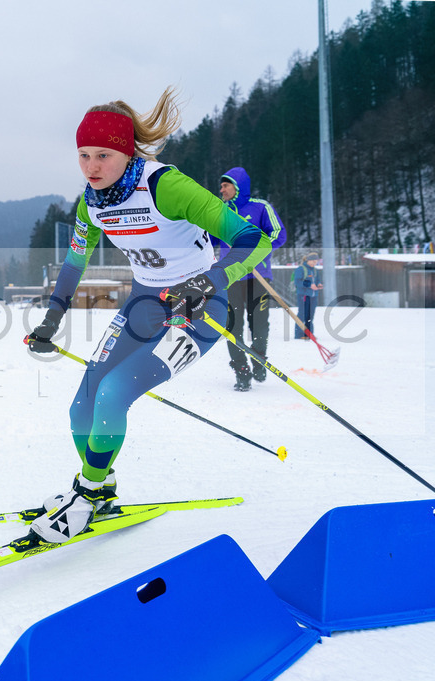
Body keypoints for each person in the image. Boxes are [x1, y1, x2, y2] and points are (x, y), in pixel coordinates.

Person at [20, 88, 273, 548]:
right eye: (83, 156)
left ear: (127, 152)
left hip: (197, 307)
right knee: (82, 406)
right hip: (143, 302)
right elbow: (76, 260)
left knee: (114, 392)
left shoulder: (165, 186)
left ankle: (86, 494)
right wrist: (53, 316)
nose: (92, 167)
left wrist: (209, 281)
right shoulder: (92, 202)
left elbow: (253, 239)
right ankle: (101, 488)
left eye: (103, 155)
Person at [215, 167, 287, 390]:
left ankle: (258, 360)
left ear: (237, 186)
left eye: (225, 185)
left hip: (258, 277)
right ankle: (241, 370)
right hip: (230, 277)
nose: (221, 190)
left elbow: (278, 234)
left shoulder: (261, 207)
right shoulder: (220, 211)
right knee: (232, 326)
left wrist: (254, 251)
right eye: (221, 186)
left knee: (259, 324)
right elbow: (209, 239)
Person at [294, 252, 322, 339]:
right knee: (302, 314)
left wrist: (319, 284)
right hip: (304, 295)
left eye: (316, 261)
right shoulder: (300, 269)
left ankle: (309, 333)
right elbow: (297, 282)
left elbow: (317, 280)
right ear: (308, 260)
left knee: (311, 314)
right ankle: (299, 334)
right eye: (313, 261)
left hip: (313, 295)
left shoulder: (315, 270)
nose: (314, 263)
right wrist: (309, 285)